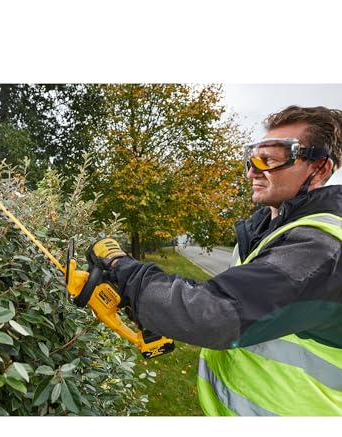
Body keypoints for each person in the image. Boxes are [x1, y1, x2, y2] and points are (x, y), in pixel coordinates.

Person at [86, 105, 342, 416]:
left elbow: (218, 313)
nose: (252, 172)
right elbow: (239, 301)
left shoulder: (322, 246)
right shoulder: (266, 232)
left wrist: (123, 270)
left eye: (271, 159)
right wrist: (158, 310)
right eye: (252, 159)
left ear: (320, 169)